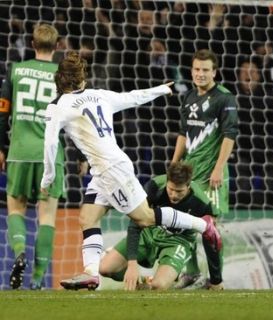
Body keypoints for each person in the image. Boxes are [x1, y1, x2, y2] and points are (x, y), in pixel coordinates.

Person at [40, 51, 222, 290]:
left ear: (59, 80)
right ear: (82, 79)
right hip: (104, 169)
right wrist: (160, 90)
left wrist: (49, 177)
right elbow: (132, 98)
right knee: (87, 218)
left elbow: (51, 143)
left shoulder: (57, 107)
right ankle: (91, 273)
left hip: (111, 170)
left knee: (145, 217)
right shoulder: (98, 95)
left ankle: (203, 226)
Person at [0, 24, 87, 290]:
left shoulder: (15, 70)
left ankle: (18, 252)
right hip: (51, 155)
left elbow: (3, 113)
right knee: (47, 216)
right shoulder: (62, 76)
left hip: (19, 152)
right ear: (58, 45)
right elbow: (76, 120)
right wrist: (82, 155)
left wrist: (1, 148)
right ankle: (38, 279)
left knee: (16, 208)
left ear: (32, 42)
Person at [171, 49, 238, 288]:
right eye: (197, 69)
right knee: (182, 223)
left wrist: (218, 169)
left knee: (210, 227)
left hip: (211, 173)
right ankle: (191, 272)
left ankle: (216, 280)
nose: (200, 74)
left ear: (214, 72)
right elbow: (183, 133)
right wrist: (174, 163)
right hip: (189, 172)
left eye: (205, 70)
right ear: (191, 71)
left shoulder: (224, 98)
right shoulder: (188, 97)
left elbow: (230, 135)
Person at [100, 162, 223, 290]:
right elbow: (135, 222)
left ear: (188, 185)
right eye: (171, 189)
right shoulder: (154, 186)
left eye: (179, 191)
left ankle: (168, 276)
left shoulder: (202, 202)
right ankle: (143, 279)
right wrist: (132, 264)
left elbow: (211, 238)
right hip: (149, 232)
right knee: (104, 269)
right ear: (167, 181)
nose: (174, 195)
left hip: (179, 241)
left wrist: (216, 280)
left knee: (158, 286)